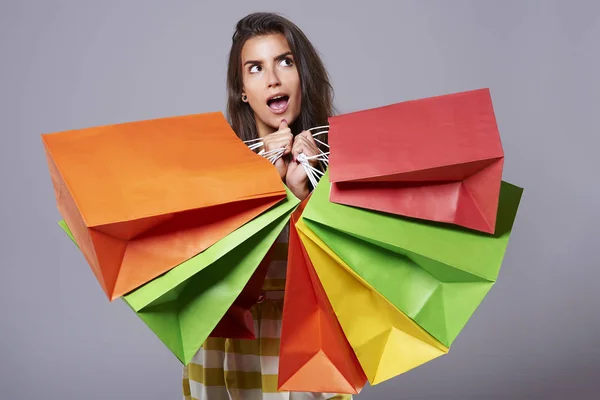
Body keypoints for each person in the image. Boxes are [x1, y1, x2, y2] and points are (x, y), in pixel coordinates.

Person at [182, 12, 352, 400]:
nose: (272, 79)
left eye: (285, 62)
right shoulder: (215, 167)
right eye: (255, 69)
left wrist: (302, 195)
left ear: (302, 75)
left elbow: (351, 277)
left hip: (307, 341)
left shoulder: (340, 163)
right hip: (226, 342)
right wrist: (266, 181)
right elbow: (203, 270)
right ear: (242, 89)